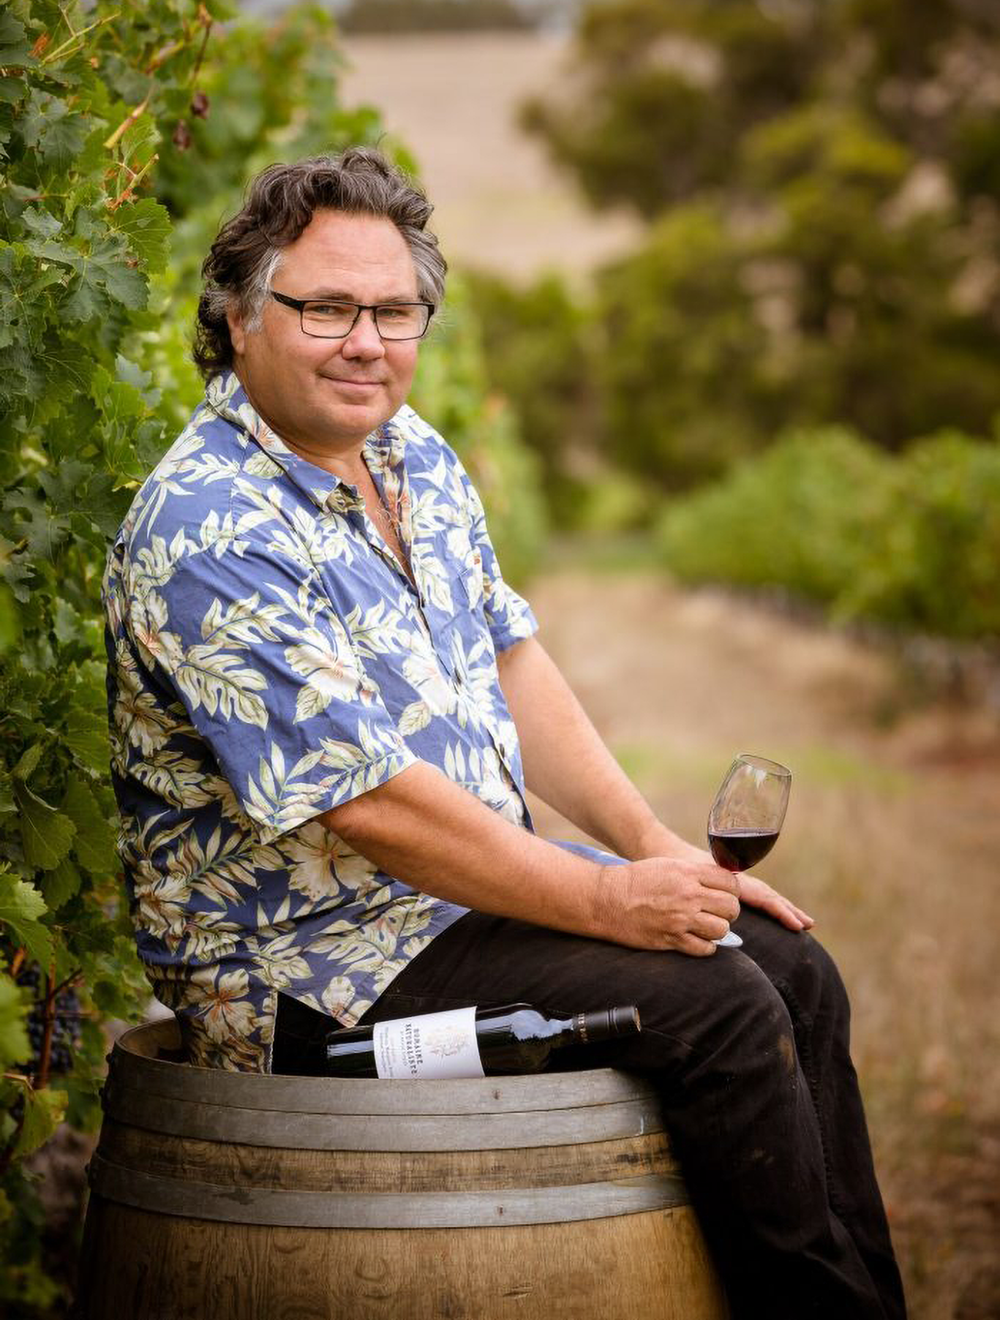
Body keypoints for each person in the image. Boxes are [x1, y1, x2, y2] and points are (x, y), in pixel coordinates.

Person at [103, 147, 906, 1318]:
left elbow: (509, 659)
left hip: (450, 909)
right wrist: (606, 902)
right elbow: (372, 805)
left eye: (394, 311)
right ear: (238, 317)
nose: (366, 341)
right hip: (311, 973)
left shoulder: (409, 454)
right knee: (722, 1004)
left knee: (794, 969)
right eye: (327, 308)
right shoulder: (210, 528)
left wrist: (651, 852)